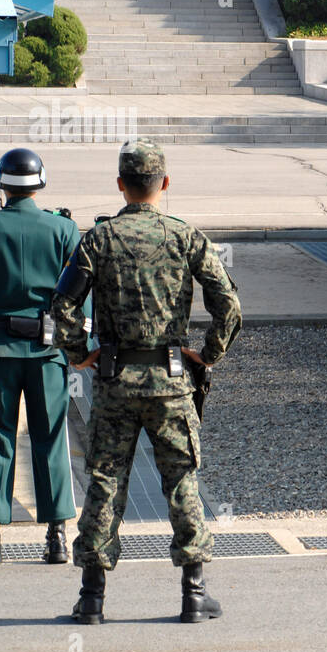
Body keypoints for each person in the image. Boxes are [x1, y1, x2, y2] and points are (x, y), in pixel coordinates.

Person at [51, 140, 241, 624]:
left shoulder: (98, 239)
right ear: (165, 183)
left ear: (121, 184)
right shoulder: (187, 237)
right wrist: (209, 353)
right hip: (171, 379)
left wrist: (79, 354)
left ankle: (92, 597)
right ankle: (194, 593)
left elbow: (63, 306)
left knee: (104, 479)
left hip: (115, 380)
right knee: (181, 479)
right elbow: (229, 304)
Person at [0, 148, 82, 566]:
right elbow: (80, 300)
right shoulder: (64, 231)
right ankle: (57, 536)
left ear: (1, 183)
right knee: (50, 440)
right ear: (40, 182)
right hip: (47, 355)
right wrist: (79, 350)